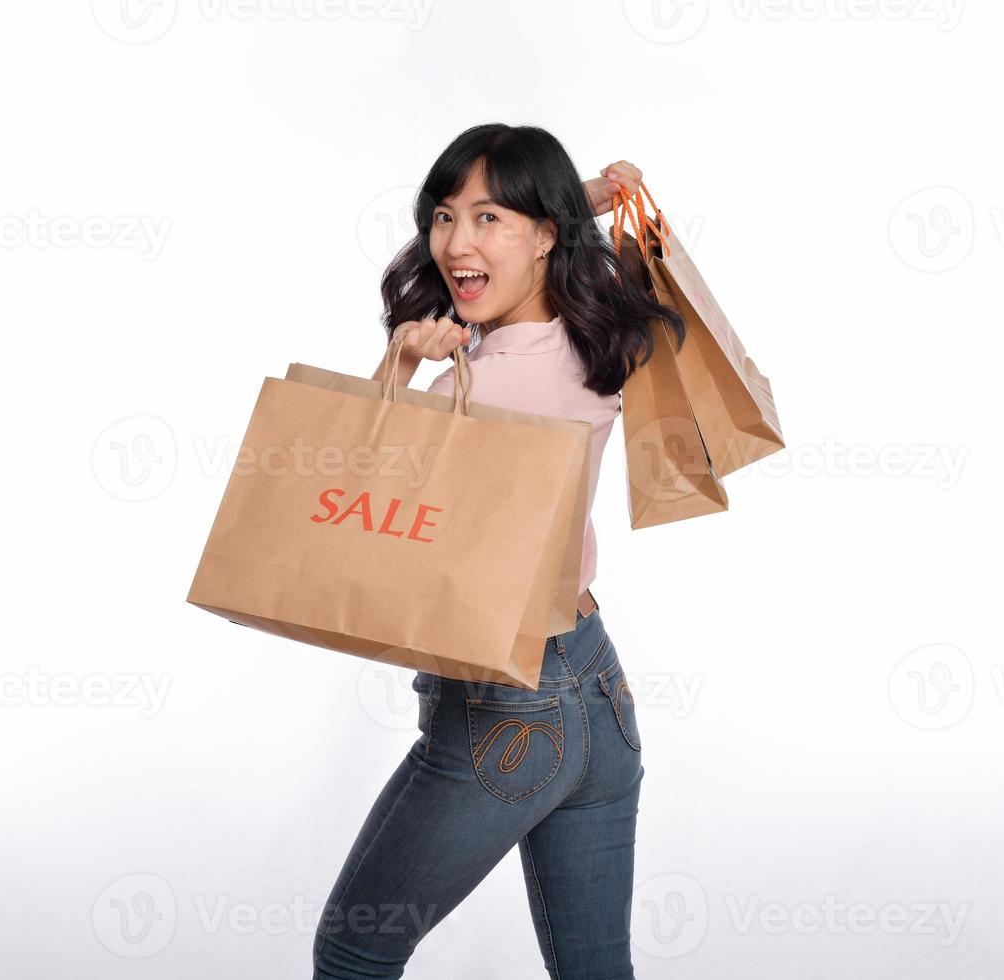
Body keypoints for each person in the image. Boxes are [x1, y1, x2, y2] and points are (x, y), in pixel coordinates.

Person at [312, 123, 687, 980]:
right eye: (444, 218)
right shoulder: (602, 338)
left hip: (503, 713)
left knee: (355, 949)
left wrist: (398, 367)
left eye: (488, 220)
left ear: (541, 235)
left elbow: (343, 511)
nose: (453, 245)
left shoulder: (472, 393)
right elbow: (539, 269)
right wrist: (572, 204)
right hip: (596, 692)